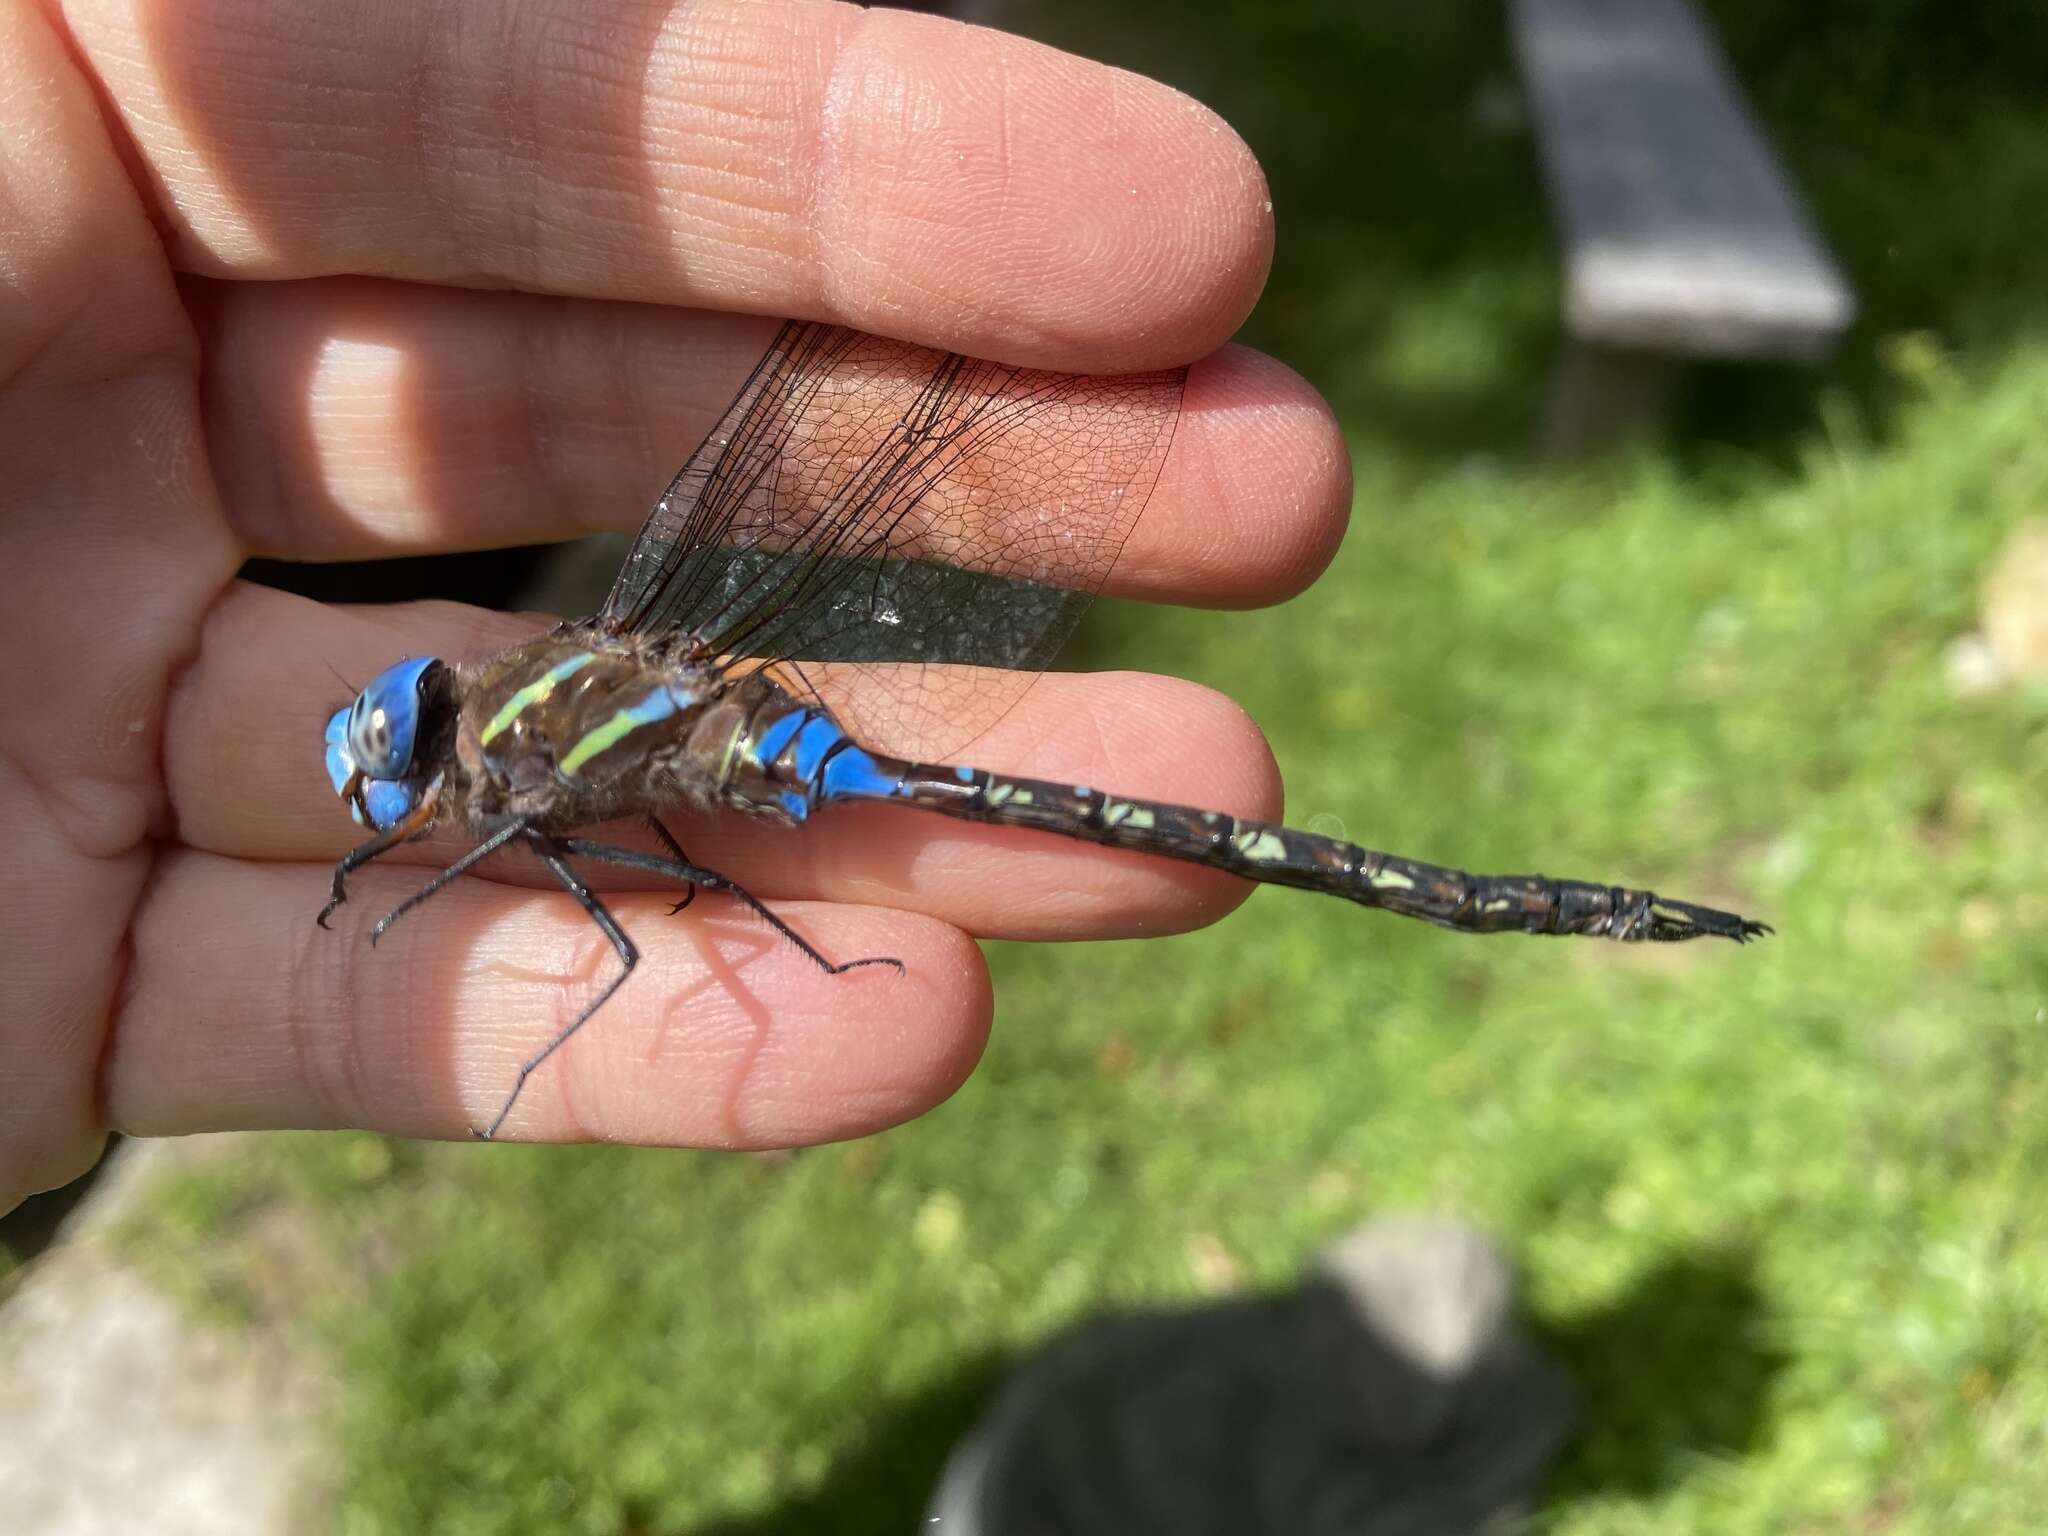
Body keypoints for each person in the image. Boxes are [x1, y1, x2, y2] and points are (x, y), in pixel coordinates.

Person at [0, 0, 1349, 1215]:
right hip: (717, 721)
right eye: (405, 732)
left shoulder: (507, 790)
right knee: (685, 875)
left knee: (663, 901)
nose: (412, 737)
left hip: (726, 741)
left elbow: (582, 882)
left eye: (409, 738)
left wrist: (400, 891)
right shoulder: (554, 688)